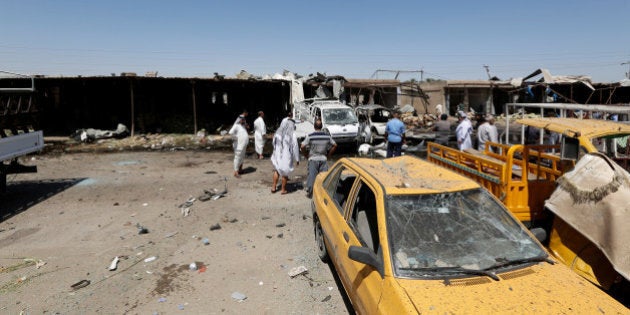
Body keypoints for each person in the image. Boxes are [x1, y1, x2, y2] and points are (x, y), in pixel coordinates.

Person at [301, 119, 337, 198]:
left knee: (312, 177)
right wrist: (329, 155)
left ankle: (311, 193)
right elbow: (335, 145)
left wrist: (306, 155)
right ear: (321, 127)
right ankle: (323, 193)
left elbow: (302, 146)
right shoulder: (327, 136)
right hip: (323, 159)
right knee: (324, 177)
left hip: (313, 159)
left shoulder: (310, 136)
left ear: (314, 126)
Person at [271, 112, 300, 194]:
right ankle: (283, 190)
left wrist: (276, 151)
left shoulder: (277, 133)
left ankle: (273, 187)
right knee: (285, 173)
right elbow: (295, 147)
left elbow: (273, 143)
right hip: (286, 156)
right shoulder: (292, 135)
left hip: (278, 155)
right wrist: (297, 159)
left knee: (277, 170)